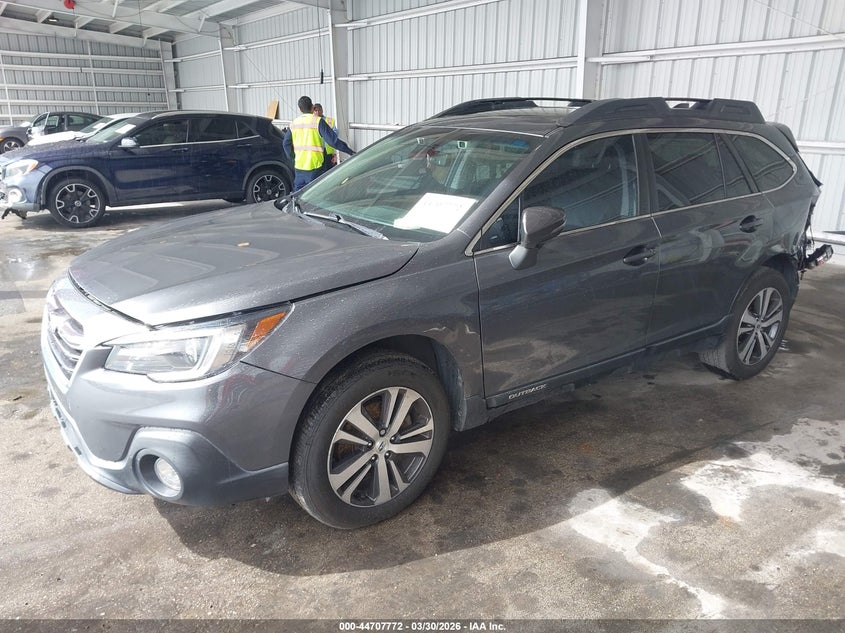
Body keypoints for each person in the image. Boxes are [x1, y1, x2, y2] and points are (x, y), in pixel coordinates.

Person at [283, 96, 354, 191]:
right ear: (312, 107)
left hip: (299, 168)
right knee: (315, 196)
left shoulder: (294, 123)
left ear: (300, 109)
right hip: (315, 168)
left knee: (297, 197)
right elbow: (333, 141)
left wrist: (293, 158)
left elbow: (285, 143)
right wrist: (350, 151)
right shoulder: (318, 121)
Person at [313, 103, 337, 174]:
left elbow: (335, 135)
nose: (317, 112)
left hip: (328, 152)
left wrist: (335, 153)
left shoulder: (329, 121)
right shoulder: (311, 122)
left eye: (319, 110)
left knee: (328, 173)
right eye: (315, 111)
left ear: (322, 110)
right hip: (316, 151)